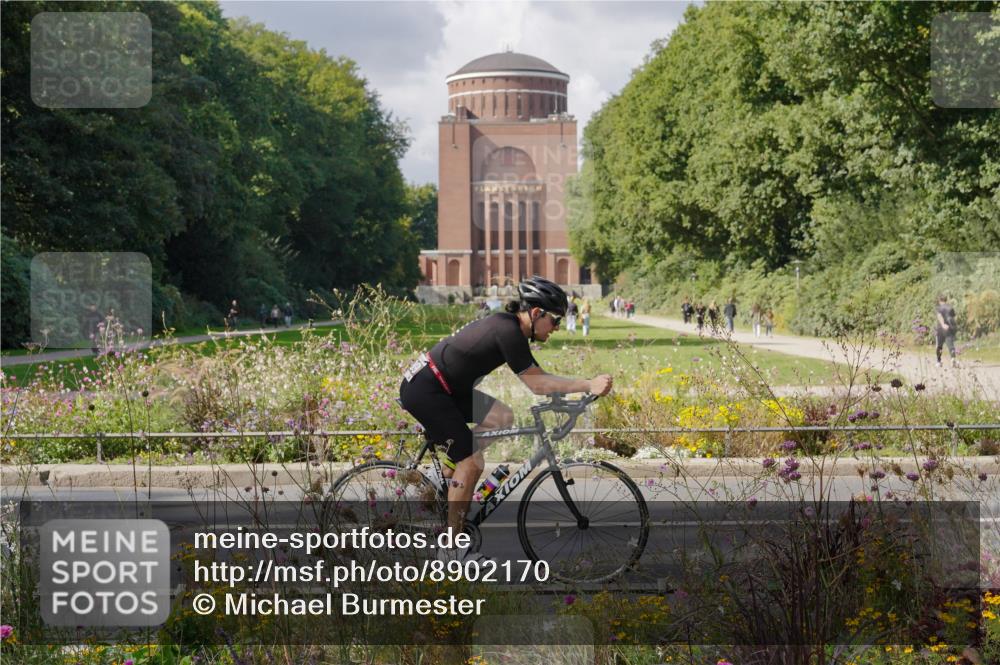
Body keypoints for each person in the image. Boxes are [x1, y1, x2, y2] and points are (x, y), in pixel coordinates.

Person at [399, 276, 613, 562]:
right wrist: (587, 384)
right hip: (427, 388)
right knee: (472, 462)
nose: (557, 328)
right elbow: (538, 384)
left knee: (502, 416)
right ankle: (450, 552)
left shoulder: (510, 328)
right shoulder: (507, 330)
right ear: (536, 313)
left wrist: (565, 396)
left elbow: (539, 378)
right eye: (555, 320)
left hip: (445, 387)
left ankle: (451, 471)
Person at [935, 294, 958, 367]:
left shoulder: (939, 308)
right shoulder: (950, 308)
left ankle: (939, 362)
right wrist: (954, 328)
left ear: (939, 300)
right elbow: (954, 318)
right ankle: (953, 359)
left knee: (939, 346)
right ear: (946, 300)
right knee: (951, 345)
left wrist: (942, 324)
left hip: (940, 329)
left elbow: (939, 316)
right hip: (949, 329)